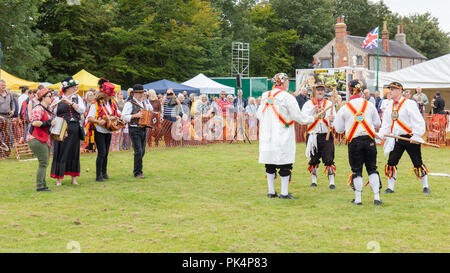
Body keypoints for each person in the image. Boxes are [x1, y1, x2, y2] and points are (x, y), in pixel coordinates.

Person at [257, 73, 316, 199]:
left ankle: (271, 191)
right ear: (284, 82)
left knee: (270, 162)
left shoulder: (265, 96)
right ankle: (283, 193)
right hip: (282, 134)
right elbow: (298, 117)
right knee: (285, 163)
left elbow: (258, 115)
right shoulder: (287, 97)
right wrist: (313, 118)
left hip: (267, 135)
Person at [334, 80, 383, 205]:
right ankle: (377, 197)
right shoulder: (369, 105)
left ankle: (358, 199)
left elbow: (338, 129)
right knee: (372, 168)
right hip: (369, 140)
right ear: (361, 90)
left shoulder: (345, 108)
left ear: (349, 90)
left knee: (357, 170)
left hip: (354, 141)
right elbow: (378, 123)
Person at [377, 82, 430, 194]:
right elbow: (386, 124)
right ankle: (390, 188)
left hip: (411, 137)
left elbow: (418, 120)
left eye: (392, 89)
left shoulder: (409, 103)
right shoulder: (389, 106)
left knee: (417, 162)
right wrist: (380, 136)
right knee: (391, 162)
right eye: (389, 89)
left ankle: (426, 186)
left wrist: (416, 135)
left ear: (399, 91)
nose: (390, 91)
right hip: (396, 138)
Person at [50, 77, 86, 186]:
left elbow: (82, 110)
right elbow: (53, 112)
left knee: (74, 152)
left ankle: (74, 178)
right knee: (61, 151)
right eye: (73, 86)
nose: (76, 88)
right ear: (68, 88)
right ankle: (59, 179)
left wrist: (70, 102)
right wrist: (53, 106)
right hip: (61, 127)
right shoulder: (58, 98)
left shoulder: (77, 98)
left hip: (74, 126)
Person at [301, 84, 336, 190]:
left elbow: (335, 118)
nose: (320, 92)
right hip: (313, 135)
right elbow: (303, 118)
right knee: (314, 159)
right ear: (314, 92)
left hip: (326, 134)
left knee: (329, 159)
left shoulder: (329, 104)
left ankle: (331, 183)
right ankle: (314, 181)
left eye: (322, 90)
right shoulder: (308, 104)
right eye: (318, 90)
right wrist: (313, 111)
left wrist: (332, 118)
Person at [87, 78, 123, 182]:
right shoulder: (95, 103)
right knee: (102, 152)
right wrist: (98, 122)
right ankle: (98, 175)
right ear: (103, 94)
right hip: (99, 131)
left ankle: (104, 172)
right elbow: (89, 117)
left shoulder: (111, 103)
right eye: (109, 94)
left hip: (108, 130)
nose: (111, 96)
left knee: (106, 152)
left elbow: (117, 113)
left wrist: (121, 117)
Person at [27, 88, 56, 192]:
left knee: (45, 162)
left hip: (42, 138)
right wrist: (49, 122)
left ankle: (43, 185)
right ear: (43, 98)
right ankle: (40, 186)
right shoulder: (39, 108)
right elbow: (34, 122)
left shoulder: (46, 108)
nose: (51, 98)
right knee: (43, 162)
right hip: (36, 138)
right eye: (49, 96)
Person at [122, 84, 153, 178]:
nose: (142, 94)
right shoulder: (129, 103)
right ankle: (138, 172)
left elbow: (150, 110)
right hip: (134, 128)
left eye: (142, 93)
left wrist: (145, 103)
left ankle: (138, 169)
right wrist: (135, 116)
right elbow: (124, 116)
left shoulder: (143, 102)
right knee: (138, 151)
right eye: (140, 93)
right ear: (134, 93)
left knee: (142, 151)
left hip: (143, 128)